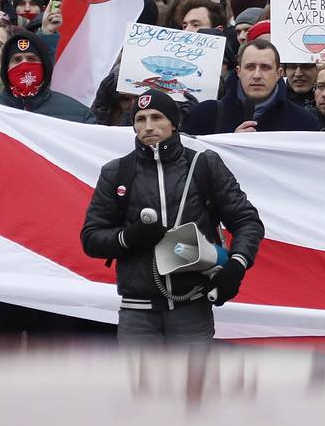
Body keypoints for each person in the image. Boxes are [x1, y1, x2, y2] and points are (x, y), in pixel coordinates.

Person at [81, 89, 264, 344]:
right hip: (138, 314)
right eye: (140, 119)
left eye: (157, 117)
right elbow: (91, 238)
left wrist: (237, 265)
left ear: (174, 123)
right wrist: (129, 238)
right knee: (142, 385)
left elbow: (247, 221)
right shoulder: (116, 172)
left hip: (192, 308)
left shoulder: (203, 164)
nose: (148, 126)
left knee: (193, 384)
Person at [183, 40, 317, 134]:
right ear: (238, 71)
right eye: (250, 67)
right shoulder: (206, 115)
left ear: (279, 74)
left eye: (265, 67)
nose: (257, 75)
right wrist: (231, 147)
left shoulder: (304, 123)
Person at [0, 30, 96, 123]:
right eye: (17, 60)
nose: (24, 65)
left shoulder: (79, 114)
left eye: (32, 59)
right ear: (5, 68)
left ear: (44, 66)